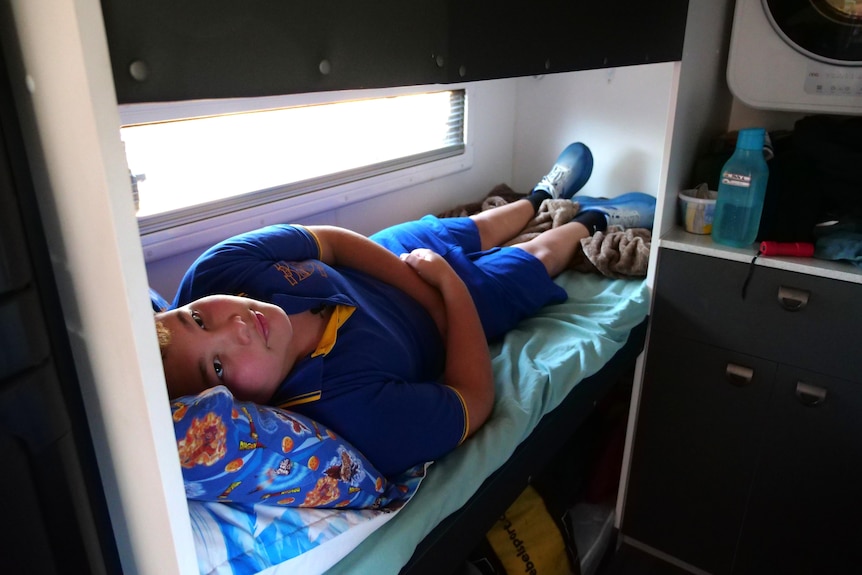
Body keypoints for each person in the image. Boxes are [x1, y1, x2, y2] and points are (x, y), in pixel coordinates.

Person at [155, 142, 655, 476]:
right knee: (535, 258)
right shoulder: (348, 413)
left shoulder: (212, 274)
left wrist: (423, 283)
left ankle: (540, 196)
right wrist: (451, 293)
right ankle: (590, 220)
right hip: (452, 321)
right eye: (217, 364)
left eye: (197, 318)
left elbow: (331, 243)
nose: (235, 325)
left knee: (474, 225)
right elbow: (473, 401)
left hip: (384, 260)